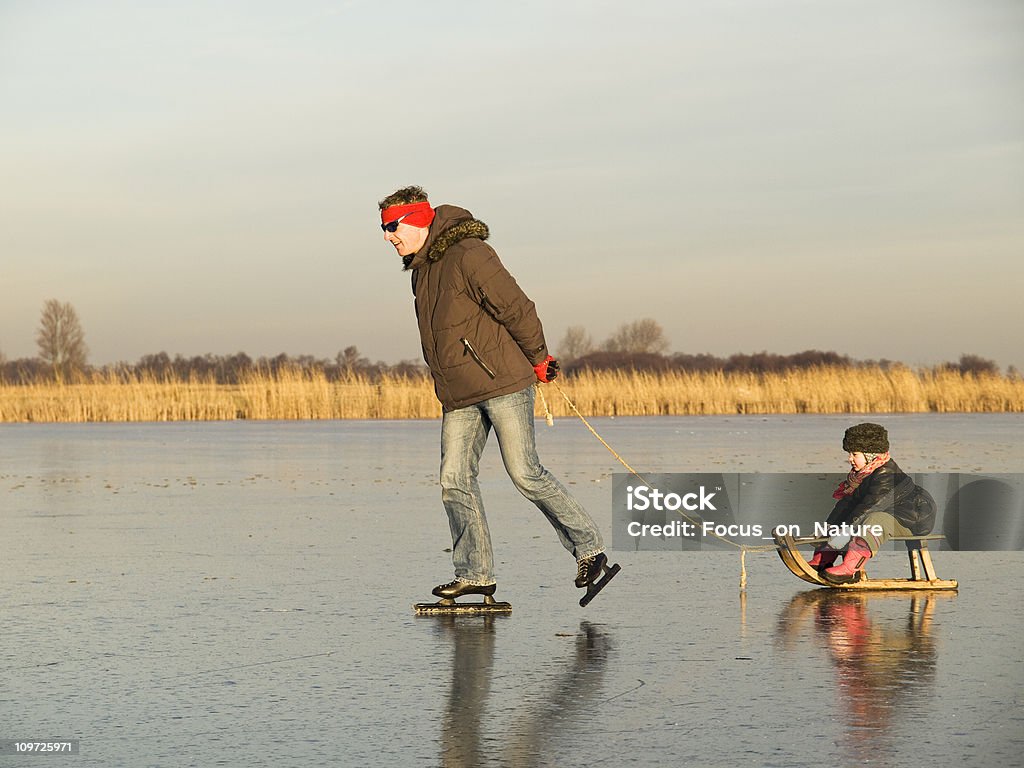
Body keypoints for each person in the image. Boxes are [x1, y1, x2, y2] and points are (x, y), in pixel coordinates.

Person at [378, 185, 607, 600]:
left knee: (524, 472)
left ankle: (589, 548)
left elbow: (516, 306)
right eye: (383, 228)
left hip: (503, 382)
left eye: (393, 226)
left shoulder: (469, 254)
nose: (387, 235)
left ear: (418, 220)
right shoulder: (422, 270)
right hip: (459, 393)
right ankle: (475, 573)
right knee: (453, 479)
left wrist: (539, 359)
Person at [808, 422, 936, 584]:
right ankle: (824, 559)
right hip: (889, 513)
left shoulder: (886, 475)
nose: (850, 459)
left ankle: (851, 566)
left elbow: (870, 507)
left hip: (912, 519)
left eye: (855, 454)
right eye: (850, 454)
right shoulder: (860, 477)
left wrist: (844, 533)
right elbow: (847, 505)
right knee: (847, 512)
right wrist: (827, 531)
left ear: (870, 455)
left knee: (876, 520)